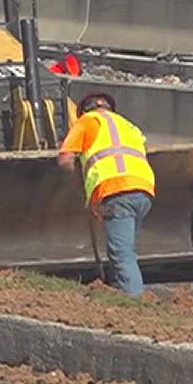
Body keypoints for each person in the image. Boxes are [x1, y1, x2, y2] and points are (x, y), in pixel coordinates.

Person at [56, 92, 156, 296]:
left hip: (115, 191)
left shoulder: (86, 122)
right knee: (126, 250)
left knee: (121, 254)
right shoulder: (128, 125)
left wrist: (75, 176)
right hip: (144, 190)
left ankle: (133, 301)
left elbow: (65, 160)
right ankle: (122, 288)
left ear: (84, 110)